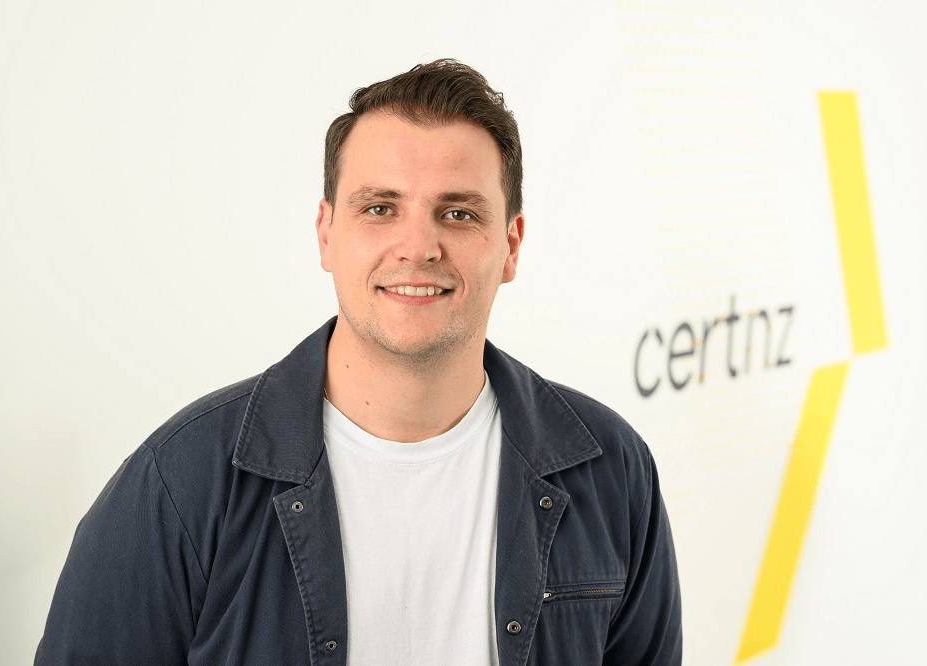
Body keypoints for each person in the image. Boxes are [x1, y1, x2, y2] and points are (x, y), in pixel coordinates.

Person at [36, 59, 681, 665]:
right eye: (380, 208)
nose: (418, 246)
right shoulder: (182, 484)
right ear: (326, 232)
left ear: (511, 245)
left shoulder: (611, 471)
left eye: (458, 213)